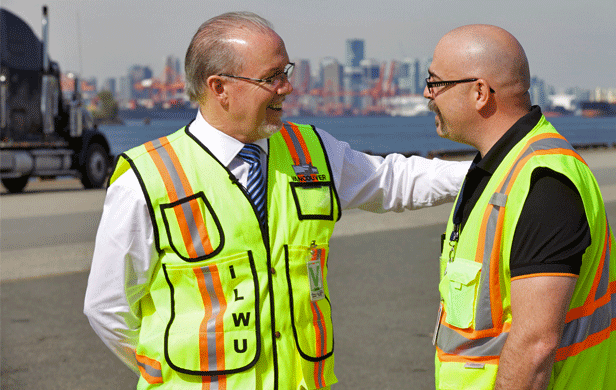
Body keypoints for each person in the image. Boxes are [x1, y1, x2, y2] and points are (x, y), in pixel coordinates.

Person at [84, 12, 470, 390]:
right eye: (272, 78)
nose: (286, 88)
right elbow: (108, 308)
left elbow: (393, 180)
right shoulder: (147, 178)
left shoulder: (311, 150)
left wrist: (495, 167)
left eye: (286, 73)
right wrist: (169, 372)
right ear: (219, 87)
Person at [425, 24, 616, 390]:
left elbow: (535, 348)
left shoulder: (543, 183)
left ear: (479, 92)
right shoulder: (500, 169)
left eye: (435, 82)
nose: (427, 93)